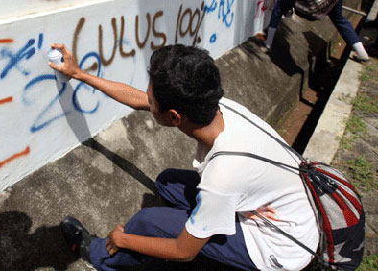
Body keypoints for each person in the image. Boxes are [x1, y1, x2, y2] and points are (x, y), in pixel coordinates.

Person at [49, 43, 319, 271]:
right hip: (286, 207)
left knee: (144, 222)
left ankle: (100, 255)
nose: (147, 101)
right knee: (168, 183)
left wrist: (123, 239)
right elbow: (137, 98)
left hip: (280, 246)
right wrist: (80, 74)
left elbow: (183, 250)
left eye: (152, 100)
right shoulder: (217, 106)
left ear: (174, 117)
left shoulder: (222, 176)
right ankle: (200, 226)